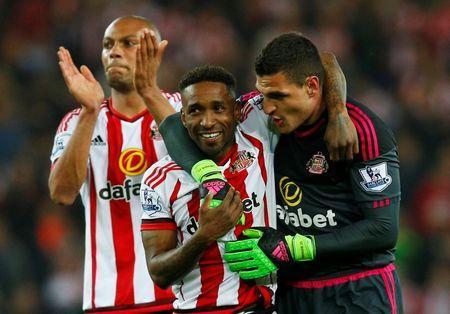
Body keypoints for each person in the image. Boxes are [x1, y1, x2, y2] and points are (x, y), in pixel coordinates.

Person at [155, 33, 403, 313]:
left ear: (311, 87)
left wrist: (295, 247)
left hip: (357, 290)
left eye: (278, 96)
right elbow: (174, 126)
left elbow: (383, 230)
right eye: (263, 94)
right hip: (292, 294)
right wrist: (210, 177)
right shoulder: (261, 118)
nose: (268, 106)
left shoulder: (361, 129)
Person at [48, 16, 180, 313]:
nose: (114, 52)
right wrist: (90, 112)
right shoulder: (76, 121)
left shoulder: (182, 110)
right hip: (108, 298)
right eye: (108, 45)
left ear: (156, 52)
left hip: (180, 295)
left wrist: (150, 92)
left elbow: (201, 171)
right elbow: (62, 193)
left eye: (128, 43)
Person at [139, 64, 278, 313]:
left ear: (236, 111)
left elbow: (310, 72)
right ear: (183, 117)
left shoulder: (260, 143)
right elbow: (158, 273)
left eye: (218, 108)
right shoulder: (160, 178)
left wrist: (339, 114)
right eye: (195, 111)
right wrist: (204, 235)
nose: (208, 121)